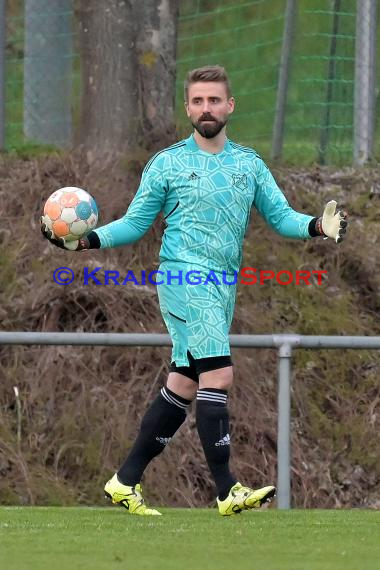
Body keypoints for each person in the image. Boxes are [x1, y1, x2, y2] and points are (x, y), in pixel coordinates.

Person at [41, 65, 348, 516]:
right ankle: (226, 489)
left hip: (222, 285)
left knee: (183, 383)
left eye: (214, 100)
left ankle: (124, 481)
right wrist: (87, 239)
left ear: (229, 106)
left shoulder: (249, 165)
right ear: (187, 108)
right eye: (198, 101)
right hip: (185, 279)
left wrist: (318, 226)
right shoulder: (167, 163)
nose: (206, 108)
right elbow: (135, 223)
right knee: (218, 376)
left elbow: (281, 217)